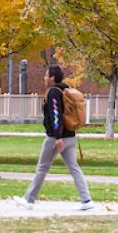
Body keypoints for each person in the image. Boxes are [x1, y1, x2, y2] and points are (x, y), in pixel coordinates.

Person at [12, 66, 93, 211]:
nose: (44, 78)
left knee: (42, 168)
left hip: (56, 138)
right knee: (74, 168)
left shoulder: (53, 93)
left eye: (46, 75)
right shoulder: (65, 90)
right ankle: (86, 199)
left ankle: (28, 200)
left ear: (52, 77)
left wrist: (57, 136)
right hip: (70, 137)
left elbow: (55, 114)